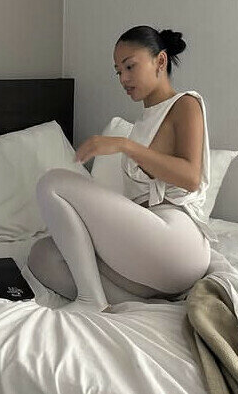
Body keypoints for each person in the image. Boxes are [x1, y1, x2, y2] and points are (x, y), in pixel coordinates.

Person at [28, 25, 217, 313]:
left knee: (52, 183)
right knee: (43, 255)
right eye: (118, 71)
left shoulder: (185, 104)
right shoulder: (144, 122)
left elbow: (191, 177)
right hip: (150, 254)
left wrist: (124, 145)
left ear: (160, 61)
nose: (123, 79)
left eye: (130, 66)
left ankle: (90, 300)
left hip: (177, 241)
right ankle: (140, 305)